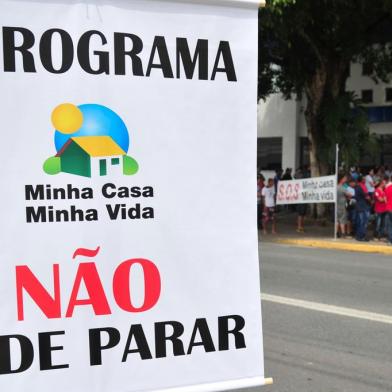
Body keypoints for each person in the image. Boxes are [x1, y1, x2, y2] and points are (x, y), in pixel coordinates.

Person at [354, 175, 371, 241]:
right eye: (364, 179)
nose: (365, 180)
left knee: (362, 222)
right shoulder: (360, 187)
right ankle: (361, 236)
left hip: (361, 206)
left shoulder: (360, 187)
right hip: (362, 206)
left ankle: (360, 236)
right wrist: (370, 201)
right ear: (361, 180)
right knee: (363, 222)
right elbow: (366, 196)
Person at [336, 173, 349, 238]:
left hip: (336, 206)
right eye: (344, 178)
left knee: (337, 220)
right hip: (342, 206)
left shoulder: (335, 187)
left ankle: (336, 233)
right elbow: (349, 195)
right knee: (342, 220)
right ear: (341, 179)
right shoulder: (342, 188)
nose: (346, 179)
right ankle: (343, 234)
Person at [384, 176, 392, 244]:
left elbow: (385, 199)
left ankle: (390, 240)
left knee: (390, 225)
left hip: (389, 208)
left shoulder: (387, 188)